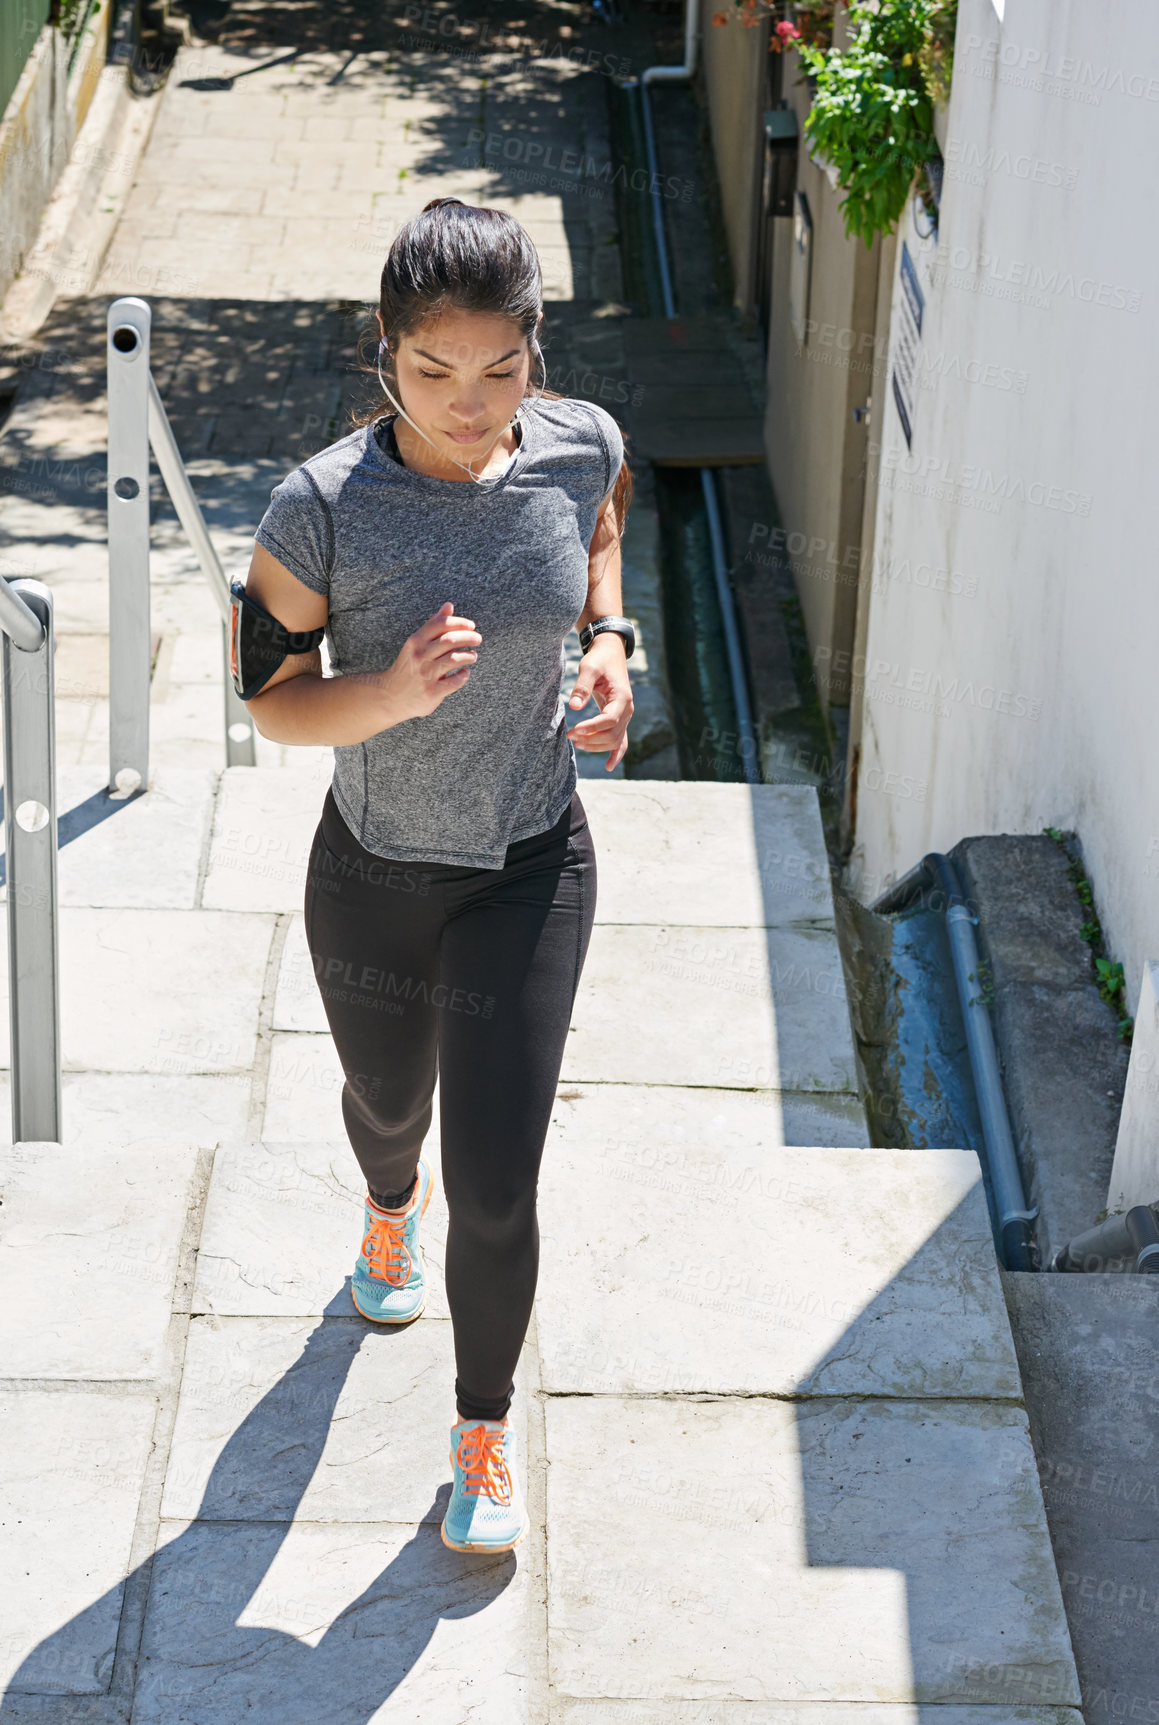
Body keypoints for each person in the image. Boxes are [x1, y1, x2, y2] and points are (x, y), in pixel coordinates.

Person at [238, 196, 635, 1554]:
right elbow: (272, 703)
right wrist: (391, 693)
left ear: (536, 351)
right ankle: (386, 1211)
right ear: (385, 359)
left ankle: (480, 1430)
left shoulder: (580, 442)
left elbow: (598, 530)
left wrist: (613, 645)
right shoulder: (321, 507)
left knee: (505, 1175)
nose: (470, 403)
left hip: (533, 861)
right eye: (432, 371)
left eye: (501, 368)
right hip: (374, 872)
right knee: (389, 1102)